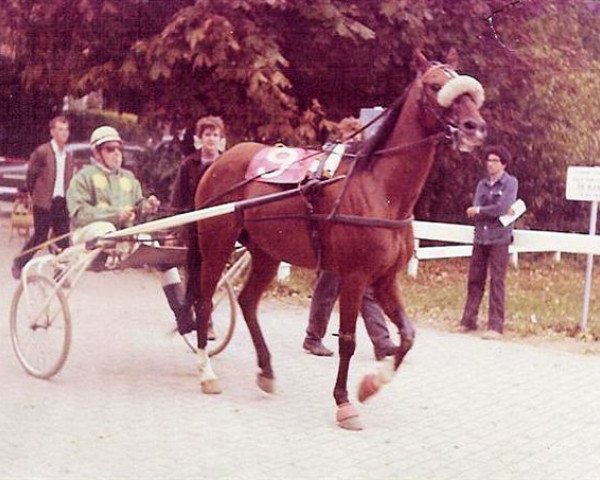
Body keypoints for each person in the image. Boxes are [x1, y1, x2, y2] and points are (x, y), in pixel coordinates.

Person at [66, 125, 194, 335]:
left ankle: (182, 314)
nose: (117, 154)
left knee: (160, 252)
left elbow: (138, 206)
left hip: (123, 238)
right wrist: (116, 215)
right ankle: (114, 253)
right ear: (96, 153)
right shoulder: (83, 177)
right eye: (110, 149)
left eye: (119, 149)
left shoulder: (129, 178)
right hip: (89, 235)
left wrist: (148, 206)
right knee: (107, 228)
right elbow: (78, 213)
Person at [302, 116, 397, 360]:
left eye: (358, 136)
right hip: (332, 235)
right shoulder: (331, 157)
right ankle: (313, 337)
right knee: (327, 287)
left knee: (365, 290)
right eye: (350, 135)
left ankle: (382, 342)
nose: (354, 140)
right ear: (342, 135)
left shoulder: (363, 165)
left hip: (355, 239)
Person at [171, 116, 226, 340]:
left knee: (210, 274)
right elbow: (178, 196)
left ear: (221, 139)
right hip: (195, 226)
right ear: (199, 139)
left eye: (215, 135)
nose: (211, 139)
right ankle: (203, 320)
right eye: (207, 135)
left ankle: (200, 316)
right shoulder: (189, 164)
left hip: (220, 227)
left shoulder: (226, 165)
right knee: (196, 275)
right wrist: (176, 226)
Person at [458, 145, 518, 340]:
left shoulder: (510, 183)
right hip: (481, 237)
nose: (490, 164)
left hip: (499, 238)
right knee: (475, 279)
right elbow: (474, 208)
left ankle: (495, 326)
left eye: (495, 161)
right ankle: (468, 320)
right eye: (489, 160)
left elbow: (501, 207)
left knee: (497, 280)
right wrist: (483, 211)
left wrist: (482, 211)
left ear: (503, 164)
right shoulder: (482, 184)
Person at [12, 116, 74, 280]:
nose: (64, 133)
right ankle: (19, 263)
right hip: (44, 201)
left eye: (66, 129)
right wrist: (35, 194)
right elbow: (31, 175)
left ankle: (60, 273)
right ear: (52, 132)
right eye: (60, 129)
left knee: (63, 239)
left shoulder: (68, 155)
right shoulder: (43, 152)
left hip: (61, 201)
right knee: (40, 237)